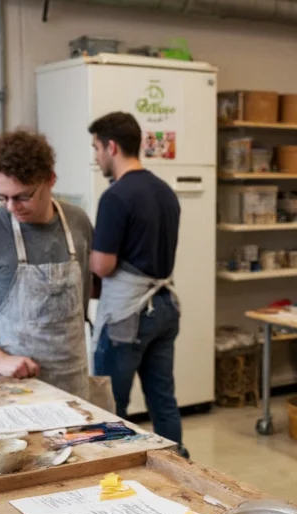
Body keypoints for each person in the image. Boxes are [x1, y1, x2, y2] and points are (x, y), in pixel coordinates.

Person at [0, 129, 94, 399]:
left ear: (50, 180)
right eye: (1, 196)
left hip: (74, 384)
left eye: (22, 196)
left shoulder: (77, 223)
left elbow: (82, 300)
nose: (11, 207)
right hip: (12, 387)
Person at [88, 112, 188, 457]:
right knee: (163, 400)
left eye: (96, 148)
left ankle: (111, 467)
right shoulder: (165, 191)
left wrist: (87, 256)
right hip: (163, 308)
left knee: (110, 404)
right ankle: (177, 465)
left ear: (111, 147)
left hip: (127, 315)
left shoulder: (115, 196)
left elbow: (103, 265)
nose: (96, 157)